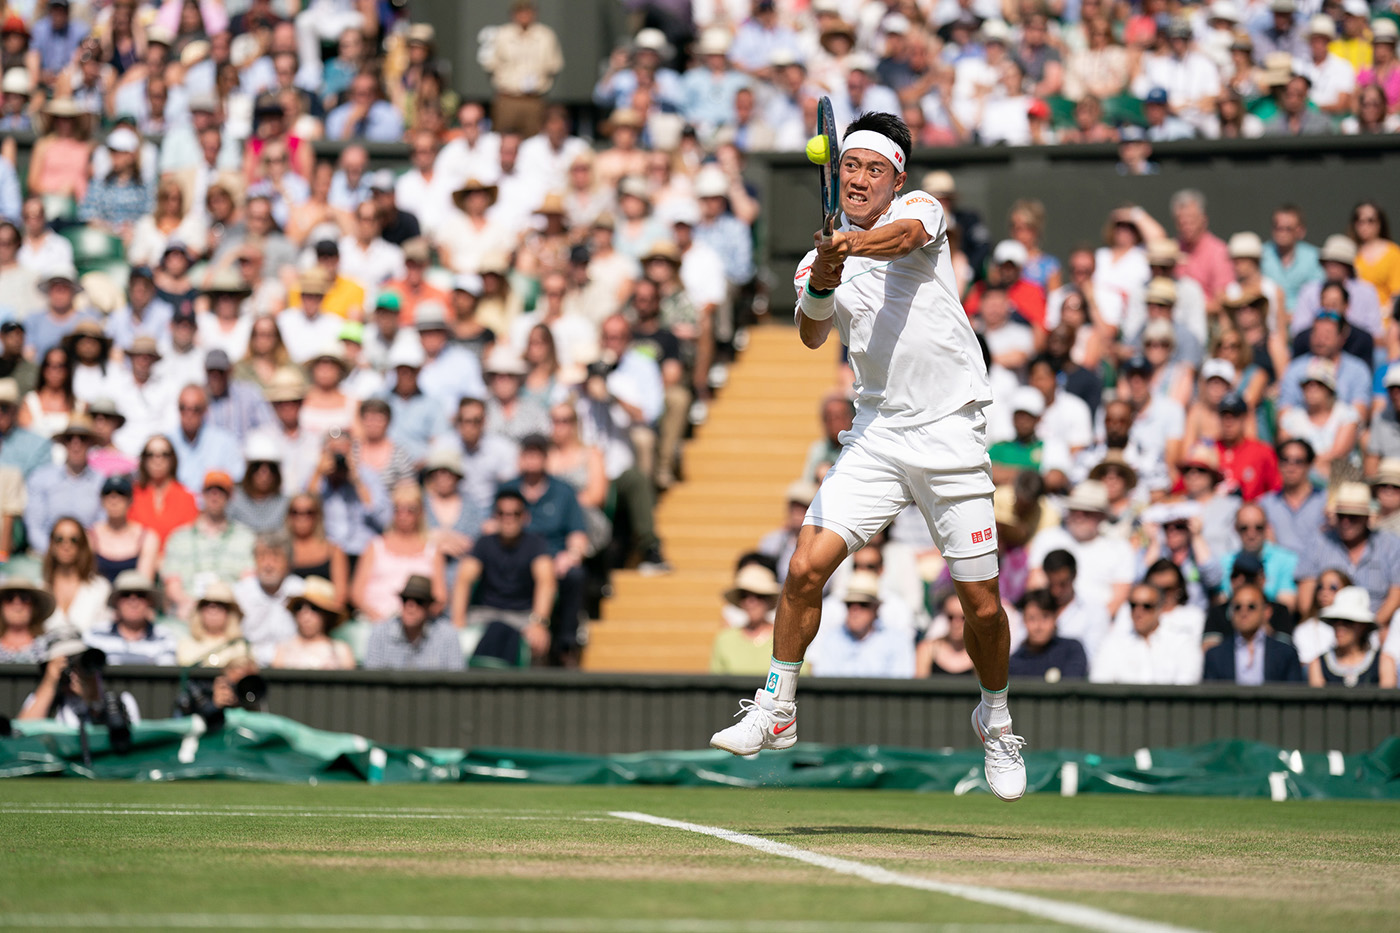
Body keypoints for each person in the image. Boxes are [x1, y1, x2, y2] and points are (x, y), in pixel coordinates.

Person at [707, 113, 1026, 799]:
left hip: (952, 436)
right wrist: (823, 273)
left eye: (871, 168)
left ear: (897, 178)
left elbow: (902, 238)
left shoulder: (919, 212)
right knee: (802, 568)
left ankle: (995, 719)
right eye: (848, 165)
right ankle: (777, 704)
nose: (855, 178)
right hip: (878, 435)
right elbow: (811, 333)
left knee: (982, 608)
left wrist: (845, 248)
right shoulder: (823, 251)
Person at [450, 490, 556, 667]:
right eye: (502, 513)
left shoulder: (536, 544)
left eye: (515, 513)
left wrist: (539, 623)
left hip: (522, 615)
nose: (509, 518)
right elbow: (463, 580)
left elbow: (546, 582)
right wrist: (458, 621)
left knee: (539, 643)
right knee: (455, 640)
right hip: (486, 613)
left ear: (525, 516)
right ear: (495, 516)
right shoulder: (484, 543)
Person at [1296, 482, 1400, 625]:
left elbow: (1396, 595)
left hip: (1377, 628)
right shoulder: (1318, 542)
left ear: (1367, 518)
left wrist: (1369, 630)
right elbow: (1306, 596)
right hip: (1326, 628)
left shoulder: (1390, 544)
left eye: (1353, 516)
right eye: (1341, 516)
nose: (1346, 522)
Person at [160, 470, 256, 621]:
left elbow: (248, 583)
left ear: (230, 496)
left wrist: (226, 608)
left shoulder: (245, 537)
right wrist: (189, 604)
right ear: (202, 494)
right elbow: (172, 583)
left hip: (229, 611)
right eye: (210, 490)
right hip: (189, 609)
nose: (215, 496)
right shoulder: (179, 537)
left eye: (221, 491)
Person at [350, 483, 444, 625]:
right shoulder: (375, 546)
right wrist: (379, 619)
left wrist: (414, 619)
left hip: (417, 625)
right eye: (398, 509)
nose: (403, 515)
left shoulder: (432, 550)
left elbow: (440, 598)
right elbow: (356, 593)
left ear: (421, 512)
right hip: (374, 622)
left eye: (410, 510)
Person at [807, 571, 916, 678]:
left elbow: (899, 685)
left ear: (876, 607)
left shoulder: (897, 641)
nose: (855, 610)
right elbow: (825, 682)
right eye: (850, 604)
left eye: (863, 604)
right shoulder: (831, 639)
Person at [1089, 582, 1203, 685]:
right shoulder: (1112, 644)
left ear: (1160, 608)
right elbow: (1100, 684)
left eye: (1147, 606)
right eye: (1133, 605)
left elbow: (1186, 687)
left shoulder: (1182, 643)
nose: (1138, 612)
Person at [18, 635, 141, 726]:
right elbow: (23, 731)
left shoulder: (122, 701)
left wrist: (93, 698)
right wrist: (50, 681)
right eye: (68, 662)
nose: (75, 671)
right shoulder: (41, 700)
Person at [24, 416, 105, 552]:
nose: (76, 444)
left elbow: (103, 526)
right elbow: (34, 527)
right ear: (63, 443)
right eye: (70, 438)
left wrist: (81, 557)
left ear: (91, 443)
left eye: (82, 438)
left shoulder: (101, 482)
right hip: (46, 555)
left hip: (89, 556)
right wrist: (56, 554)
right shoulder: (41, 478)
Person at [1202, 582, 1304, 683]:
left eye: (1251, 606)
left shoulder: (1286, 654)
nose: (1244, 612)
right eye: (1237, 607)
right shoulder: (1215, 656)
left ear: (1266, 611)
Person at [233, 530, 304, 666]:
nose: (268, 565)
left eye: (276, 558)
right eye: (262, 557)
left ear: (288, 563)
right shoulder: (240, 592)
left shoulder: (301, 591)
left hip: (292, 665)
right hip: (249, 664)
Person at [364, 574, 464, 671]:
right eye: (405, 599)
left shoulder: (448, 636)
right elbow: (371, 681)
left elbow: (457, 680)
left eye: (419, 601)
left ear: (429, 606)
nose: (410, 607)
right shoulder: (380, 634)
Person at [84, 570, 177, 666]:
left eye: (140, 595)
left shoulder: (164, 637)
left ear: (150, 601)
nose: (133, 602)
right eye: (126, 594)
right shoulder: (97, 634)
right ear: (116, 601)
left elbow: (165, 675)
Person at [709, 562, 783, 675]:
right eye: (744, 595)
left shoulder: (785, 640)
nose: (750, 602)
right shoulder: (725, 640)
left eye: (758, 595)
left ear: (769, 599)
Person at [1309, 585, 1387, 687]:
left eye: (1347, 621)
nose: (1339, 627)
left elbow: (1386, 699)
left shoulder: (1383, 662)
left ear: (1362, 626)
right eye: (1335, 620)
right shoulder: (1318, 664)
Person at [89, 474, 159, 583]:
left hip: (134, 596)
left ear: (130, 500)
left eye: (121, 494)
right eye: (108, 494)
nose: (114, 500)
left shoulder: (147, 537)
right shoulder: (90, 537)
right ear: (101, 500)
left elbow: (144, 582)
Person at [273, 576, 354, 670]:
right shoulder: (283, 649)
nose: (305, 615)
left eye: (314, 608)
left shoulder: (341, 651)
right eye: (299, 607)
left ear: (326, 615)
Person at [1008, 588, 1088, 681]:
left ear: (1055, 617)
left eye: (1045, 617)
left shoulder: (1071, 650)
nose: (1038, 626)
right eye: (1032, 618)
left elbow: (1072, 687)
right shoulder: (1014, 663)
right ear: (1024, 620)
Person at [176, 581, 252, 667]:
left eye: (220, 606)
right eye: (207, 605)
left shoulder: (240, 647)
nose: (213, 611)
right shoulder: (187, 644)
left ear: (230, 613)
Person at [0, 577, 54, 663]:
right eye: (9, 598)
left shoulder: (49, 646)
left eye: (24, 598)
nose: (17, 605)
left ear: (34, 606)